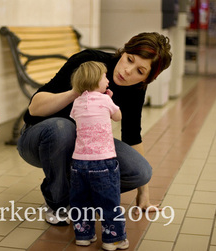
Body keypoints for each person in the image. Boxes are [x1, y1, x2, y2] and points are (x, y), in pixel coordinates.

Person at [17, 32, 172, 225]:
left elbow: (132, 136)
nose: (128, 70)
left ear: (146, 79)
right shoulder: (89, 62)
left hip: (82, 148)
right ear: (123, 52)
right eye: (129, 59)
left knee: (140, 171)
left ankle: (78, 194)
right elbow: (34, 108)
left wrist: (144, 192)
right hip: (38, 138)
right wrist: (77, 91)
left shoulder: (135, 89)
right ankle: (58, 203)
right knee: (63, 127)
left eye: (140, 71)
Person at [69, 61, 127, 250]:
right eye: (105, 77)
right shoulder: (105, 100)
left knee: (81, 200)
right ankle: (113, 239)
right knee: (108, 201)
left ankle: (83, 235)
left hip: (78, 163)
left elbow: (76, 117)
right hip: (103, 161)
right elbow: (118, 117)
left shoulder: (77, 102)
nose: (108, 80)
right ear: (95, 80)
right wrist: (110, 100)